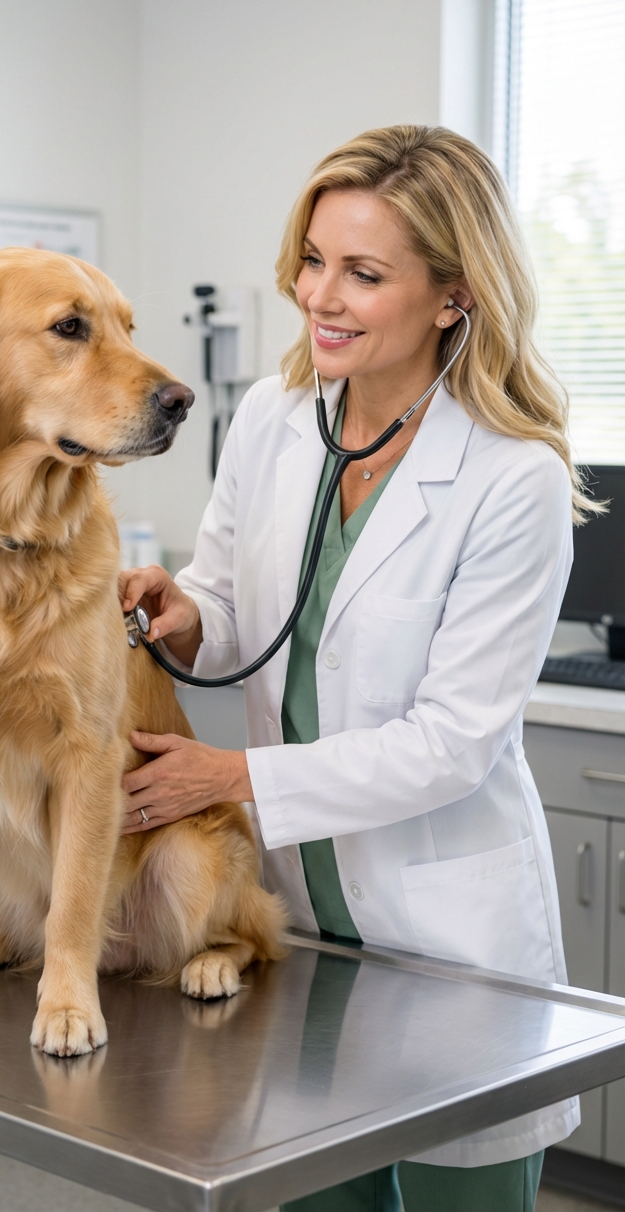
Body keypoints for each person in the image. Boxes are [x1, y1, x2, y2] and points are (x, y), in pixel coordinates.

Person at [119, 125, 584, 1212]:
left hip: (447, 952)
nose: (318, 295)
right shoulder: (278, 422)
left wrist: (231, 779)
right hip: (299, 940)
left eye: (363, 273)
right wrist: (182, 615)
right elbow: (236, 610)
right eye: (312, 259)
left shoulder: (509, 478)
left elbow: (450, 744)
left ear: (451, 295)